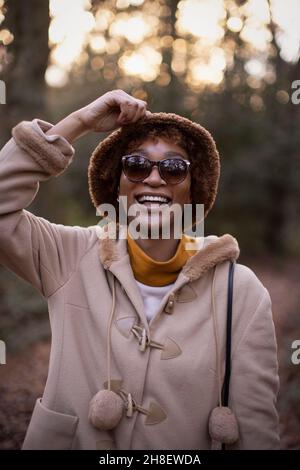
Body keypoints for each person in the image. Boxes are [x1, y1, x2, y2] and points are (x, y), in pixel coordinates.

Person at [0, 89, 280, 450]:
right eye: (135, 165)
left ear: (194, 191)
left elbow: (258, 430)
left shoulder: (240, 291)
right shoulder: (69, 255)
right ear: (116, 185)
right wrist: (81, 121)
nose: (153, 178)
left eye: (174, 168)